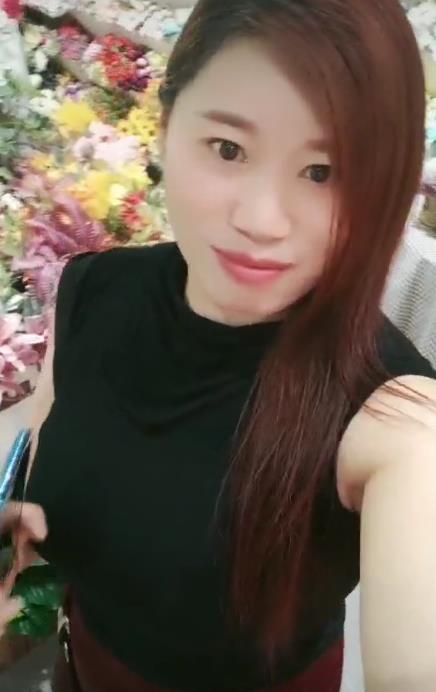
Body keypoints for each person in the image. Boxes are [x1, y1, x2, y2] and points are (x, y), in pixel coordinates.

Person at [2, 0, 436, 690]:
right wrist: (27, 540)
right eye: (228, 149)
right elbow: (50, 456)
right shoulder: (93, 288)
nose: (262, 221)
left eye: (323, 172)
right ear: (167, 127)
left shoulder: (396, 420)